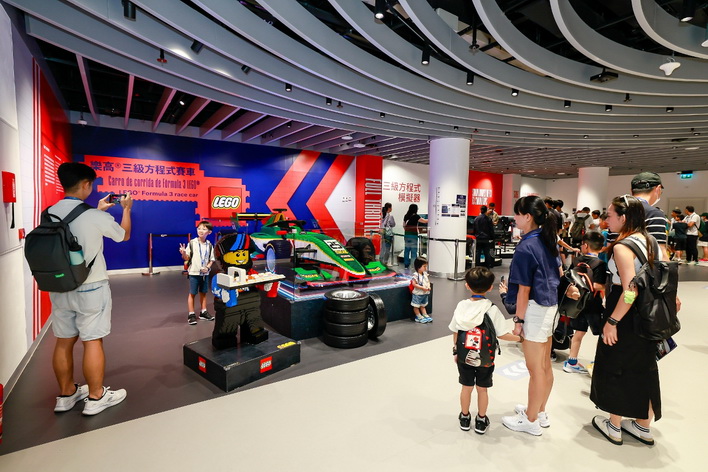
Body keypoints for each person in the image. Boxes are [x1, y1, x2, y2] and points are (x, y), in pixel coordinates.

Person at [48, 162, 132, 416]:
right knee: (92, 339)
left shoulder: (49, 213)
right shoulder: (95, 216)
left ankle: (66, 395)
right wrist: (126, 210)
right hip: (91, 286)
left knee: (63, 341)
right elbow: (123, 235)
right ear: (86, 184)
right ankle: (96, 396)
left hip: (59, 286)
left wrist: (98, 210)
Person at [590, 194, 664, 446]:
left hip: (624, 312)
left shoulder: (623, 247)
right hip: (648, 314)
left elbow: (630, 291)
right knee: (645, 367)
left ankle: (614, 425)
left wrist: (612, 321)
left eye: (610, 215)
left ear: (623, 217)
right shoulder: (652, 241)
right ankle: (643, 426)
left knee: (615, 364)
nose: (606, 220)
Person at [500, 196, 560, 436]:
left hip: (534, 309)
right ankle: (539, 411)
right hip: (550, 307)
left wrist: (518, 321)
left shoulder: (526, 246)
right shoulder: (548, 239)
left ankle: (531, 420)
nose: (514, 218)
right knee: (544, 365)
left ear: (528, 216)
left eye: (517, 213)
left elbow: (524, 290)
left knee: (535, 369)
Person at [449, 267, 523, 434]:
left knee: (466, 387)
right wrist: (520, 339)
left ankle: (465, 417)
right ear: (490, 287)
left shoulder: (461, 306)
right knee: (482, 389)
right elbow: (502, 334)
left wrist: (456, 351)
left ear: (467, 285)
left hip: (464, 356)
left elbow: (455, 330)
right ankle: (481, 420)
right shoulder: (491, 308)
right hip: (485, 358)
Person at [561, 231, 607, 374]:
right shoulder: (600, 264)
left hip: (578, 303)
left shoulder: (577, 260)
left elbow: (568, 277)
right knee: (602, 333)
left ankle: (571, 362)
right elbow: (598, 285)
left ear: (586, 245)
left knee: (579, 332)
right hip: (594, 304)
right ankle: (599, 362)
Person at [180, 221, 216, 325]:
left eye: (204, 229)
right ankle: (191, 314)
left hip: (205, 274)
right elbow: (187, 258)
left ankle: (203, 312)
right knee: (192, 293)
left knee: (203, 293)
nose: (201, 230)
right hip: (194, 273)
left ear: (209, 232)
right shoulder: (192, 243)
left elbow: (211, 259)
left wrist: (207, 268)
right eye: (199, 228)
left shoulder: (209, 245)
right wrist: (183, 253)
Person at [402, 204, 427, 270]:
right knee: (413, 251)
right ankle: (413, 266)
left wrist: (407, 230)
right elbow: (424, 221)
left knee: (406, 250)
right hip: (413, 235)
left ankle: (406, 265)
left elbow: (404, 225)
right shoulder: (416, 216)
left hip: (406, 235)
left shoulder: (406, 216)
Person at [411, 257, 432, 323]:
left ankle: (424, 314)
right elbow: (414, 284)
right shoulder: (416, 275)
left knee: (423, 305)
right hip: (418, 293)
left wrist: (428, 286)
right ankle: (418, 316)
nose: (426, 268)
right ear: (418, 266)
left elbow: (428, 281)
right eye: (424, 266)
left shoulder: (425, 274)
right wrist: (422, 288)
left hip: (424, 293)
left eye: (426, 266)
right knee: (416, 306)